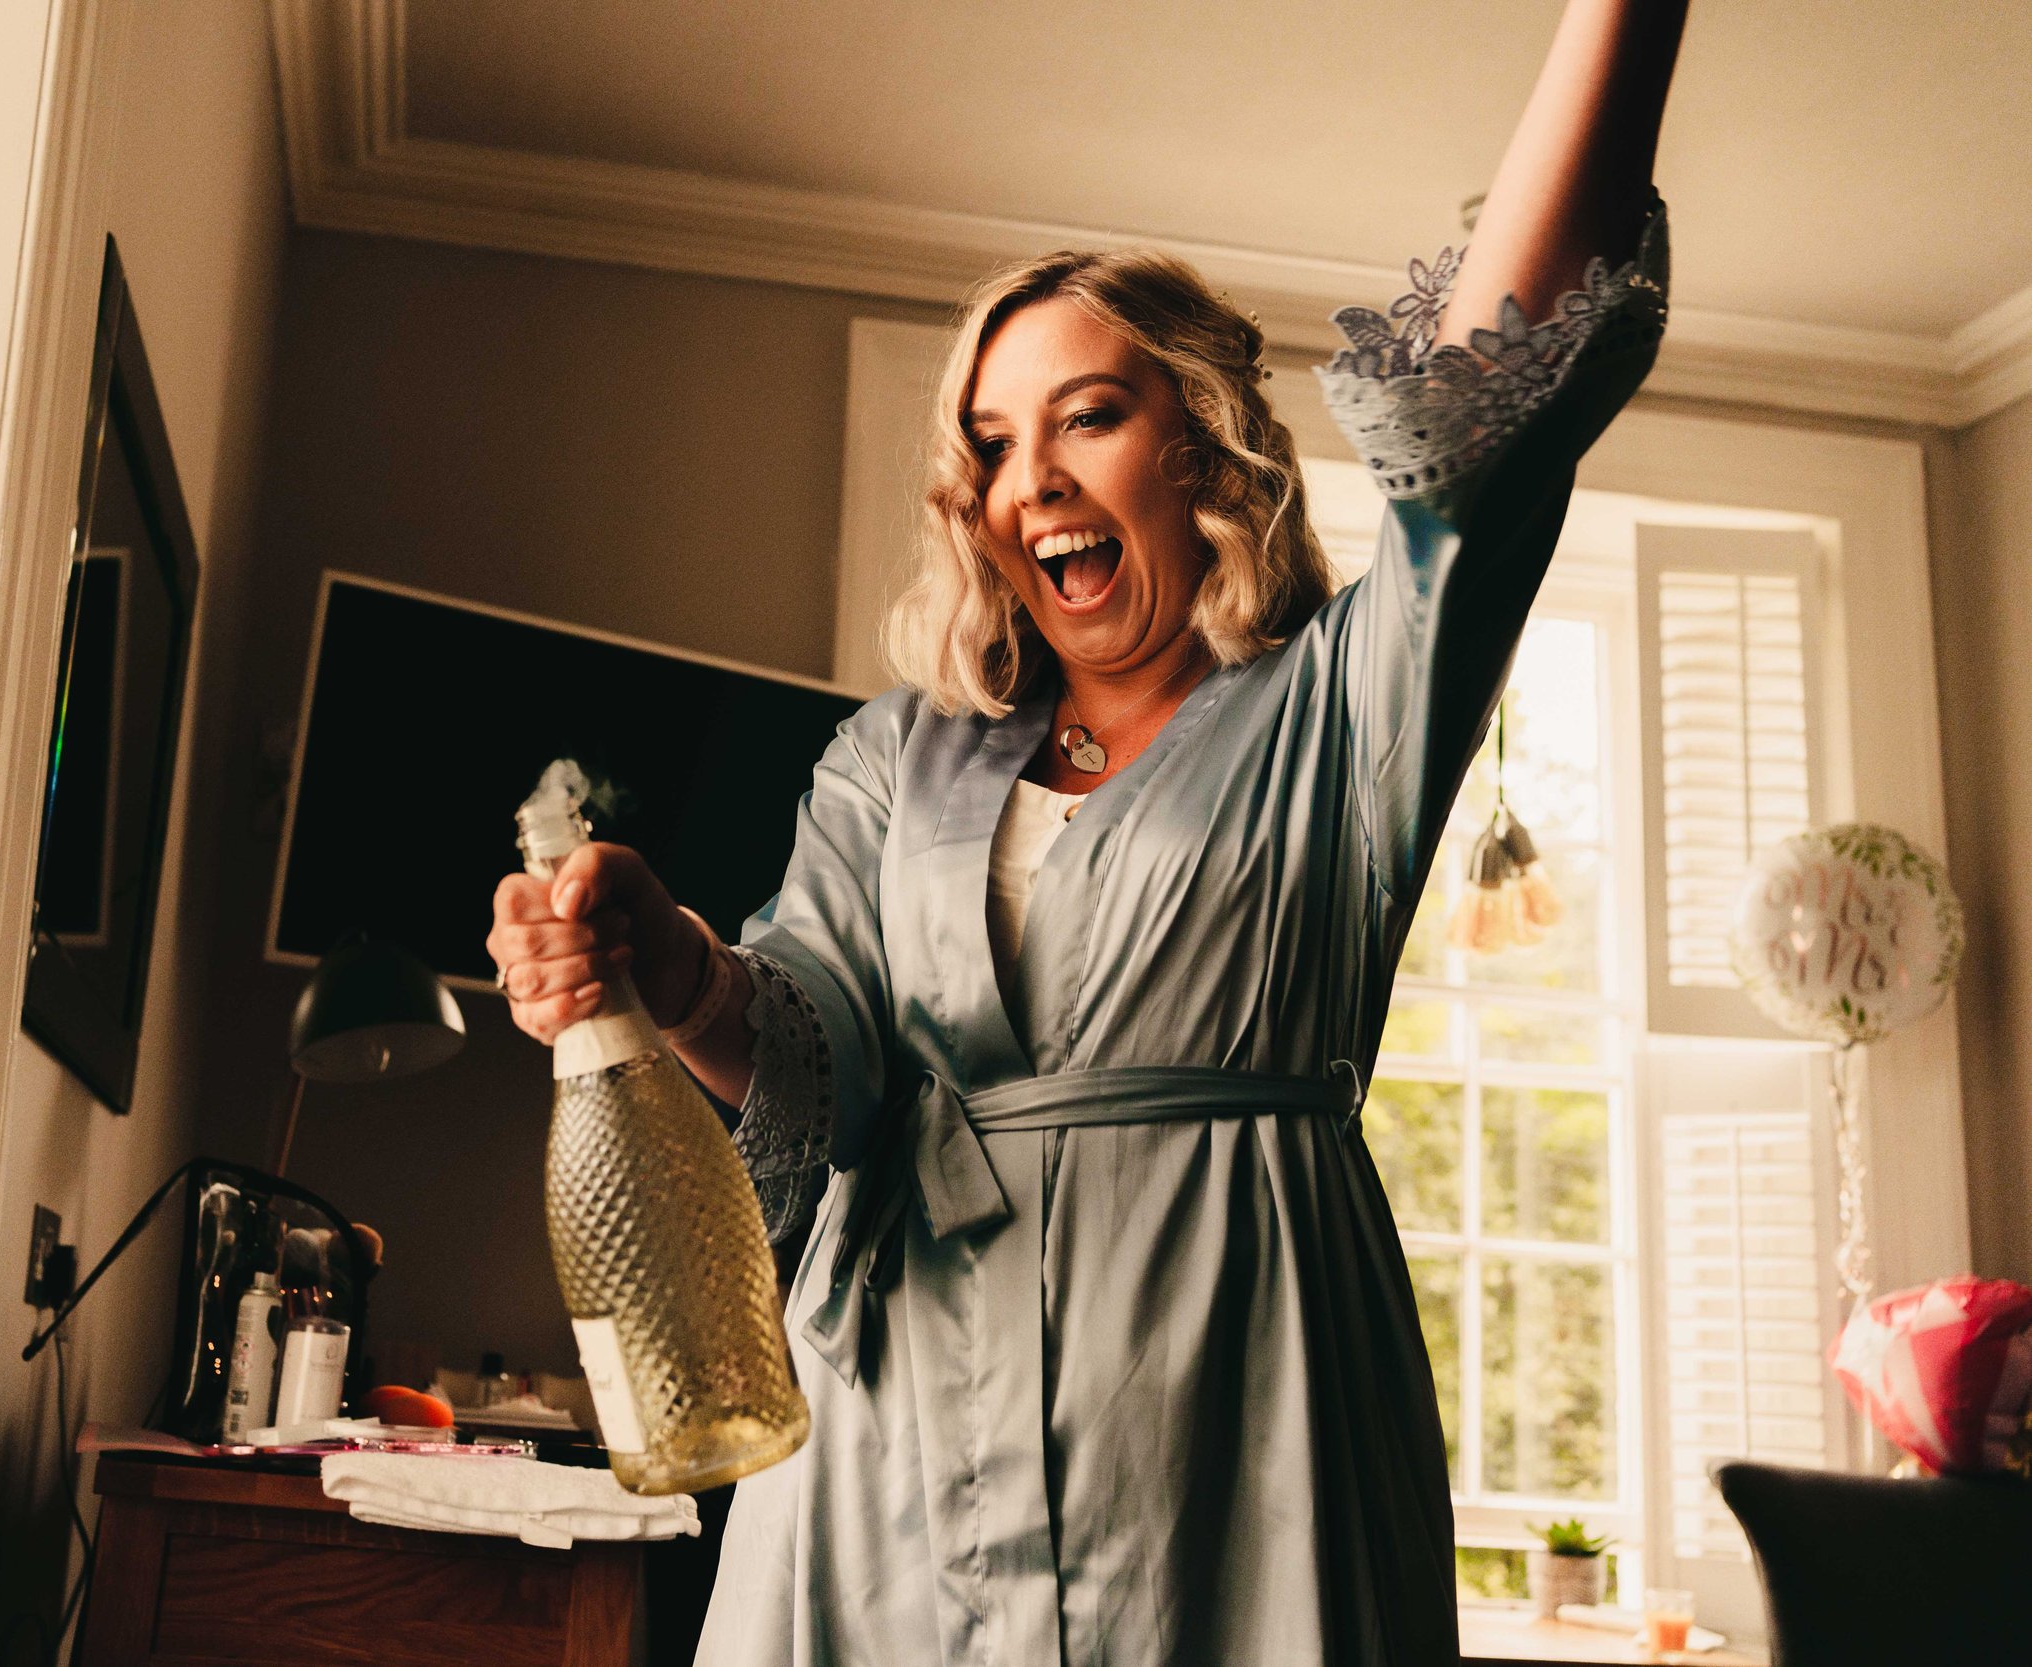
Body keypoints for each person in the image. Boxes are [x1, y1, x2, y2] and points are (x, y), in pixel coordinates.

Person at [488, 2, 1686, 1659]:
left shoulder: (1343, 714)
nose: (1030, 477)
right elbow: (812, 1045)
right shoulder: (890, 764)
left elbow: (1488, 424)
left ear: (1199, 433)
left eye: (1086, 417)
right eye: (990, 445)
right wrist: (668, 961)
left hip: (1229, 1417)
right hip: (889, 1433)